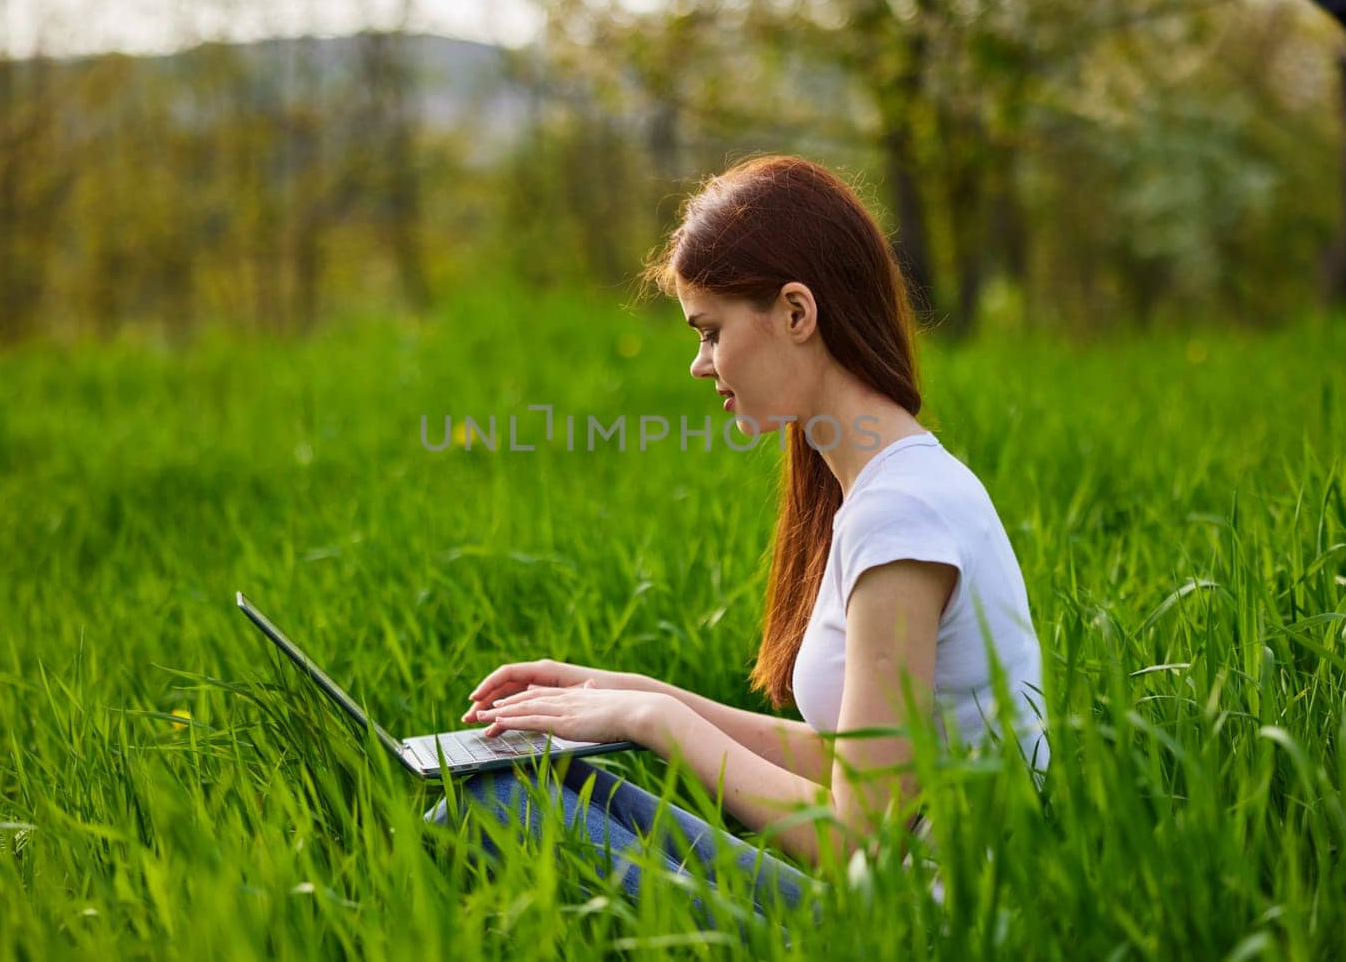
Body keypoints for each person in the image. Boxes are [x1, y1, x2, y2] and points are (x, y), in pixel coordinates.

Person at [424, 154, 1050, 929]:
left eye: (711, 331)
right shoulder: (877, 495)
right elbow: (848, 764)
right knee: (547, 788)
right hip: (890, 905)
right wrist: (623, 691)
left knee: (495, 806)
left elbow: (859, 833)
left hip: (922, 930)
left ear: (796, 312)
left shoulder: (902, 513)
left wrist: (652, 723)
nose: (699, 364)